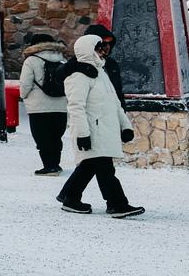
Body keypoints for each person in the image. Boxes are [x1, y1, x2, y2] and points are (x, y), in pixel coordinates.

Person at [59, 31, 147, 217]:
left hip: (104, 129)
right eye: (98, 48)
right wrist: (82, 134)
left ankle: (70, 197)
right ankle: (117, 204)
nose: (103, 51)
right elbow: (76, 106)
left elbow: (114, 103)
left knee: (89, 165)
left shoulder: (100, 72)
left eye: (104, 48)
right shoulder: (79, 75)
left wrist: (125, 126)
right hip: (93, 129)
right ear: (88, 50)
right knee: (105, 169)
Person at [17, 30, 72, 178]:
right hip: (60, 106)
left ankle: (49, 166)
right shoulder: (63, 60)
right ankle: (56, 164)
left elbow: (25, 84)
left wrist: (23, 96)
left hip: (38, 107)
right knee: (56, 136)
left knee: (42, 138)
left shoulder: (31, 60)